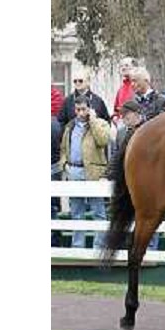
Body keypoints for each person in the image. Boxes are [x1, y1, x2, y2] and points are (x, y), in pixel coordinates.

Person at [105, 100, 160, 251]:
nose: (123, 118)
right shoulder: (122, 132)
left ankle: (151, 247)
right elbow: (117, 154)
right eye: (122, 115)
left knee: (149, 214)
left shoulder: (151, 130)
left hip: (148, 179)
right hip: (127, 180)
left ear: (137, 114)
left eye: (126, 114)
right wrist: (109, 173)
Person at [59, 95, 111, 249]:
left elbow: (103, 140)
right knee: (76, 212)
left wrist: (93, 120)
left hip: (93, 172)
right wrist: (65, 165)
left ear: (90, 108)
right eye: (78, 109)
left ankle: (99, 247)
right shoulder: (70, 126)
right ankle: (77, 247)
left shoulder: (100, 123)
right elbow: (63, 149)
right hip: (74, 171)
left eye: (84, 109)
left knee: (98, 212)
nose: (81, 113)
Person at [112, 56, 137, 123]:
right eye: (121, 66)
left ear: (134, 67)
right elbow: (116, 110)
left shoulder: (139, 85)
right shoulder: (120, 90)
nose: (123, 68)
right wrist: (115, 117)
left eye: (126, 65)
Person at [51, 114, 63, 247]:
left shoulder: (54, 125)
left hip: (53, 166)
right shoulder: (56, 124)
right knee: (53, 207)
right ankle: (54, 239)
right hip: (55, 166)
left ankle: (54, 239)